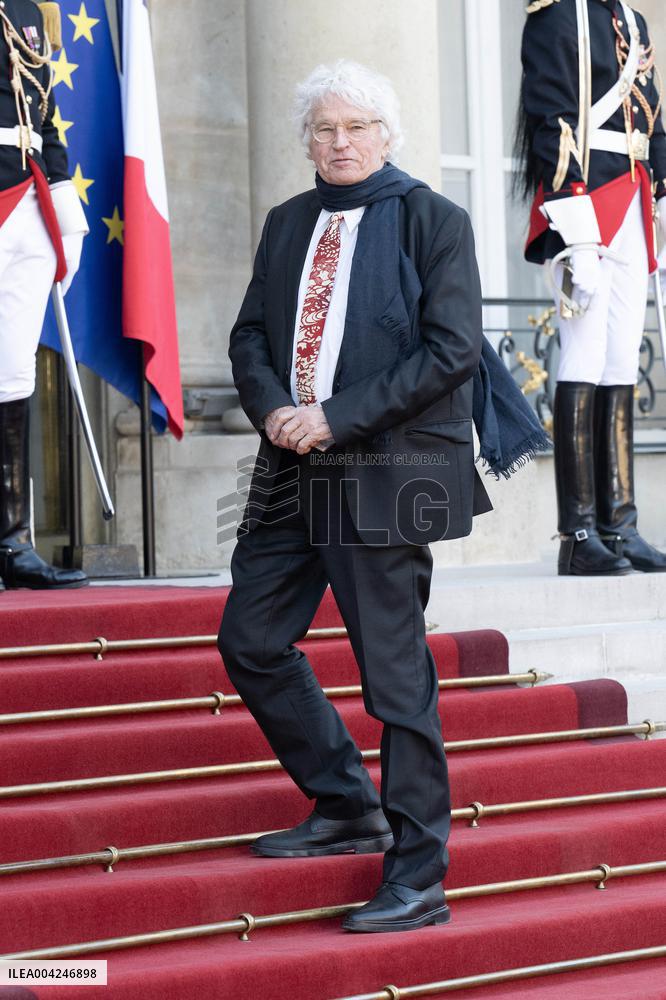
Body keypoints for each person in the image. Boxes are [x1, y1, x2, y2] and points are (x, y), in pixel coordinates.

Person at [218, 59, 496, 934]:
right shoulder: (287, 222)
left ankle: (420, 873)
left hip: (388, 471)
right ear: (307, 140)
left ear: (386, 134)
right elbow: (251, 333)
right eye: (325, 129)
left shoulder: (434, 220)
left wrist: (332, 418)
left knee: (394, 678)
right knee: (251, 638)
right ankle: (344, 802)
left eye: (357, 127)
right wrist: (273, 409)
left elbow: (451, 351)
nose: (340, 142)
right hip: (290, 469)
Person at [517, 0, 666, 576]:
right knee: (584, 350)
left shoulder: (633, 19)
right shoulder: (556, 16)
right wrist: (571, 223)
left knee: (622, 356)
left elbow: (651, 115)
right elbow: (549, 116)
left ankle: (620, 526)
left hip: (632, 198)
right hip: (585, 201)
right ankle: (577, 533)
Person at [0, 0, 88, 590]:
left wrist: (62, 203)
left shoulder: (28, 7)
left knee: (11, 370)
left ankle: (9, 539)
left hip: (27, 199)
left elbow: (44, 114)